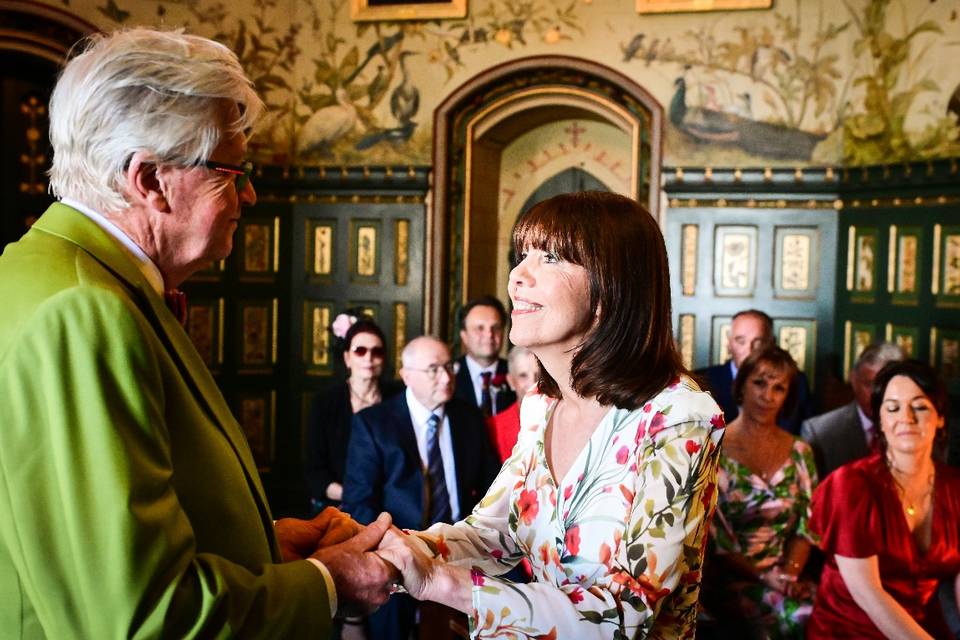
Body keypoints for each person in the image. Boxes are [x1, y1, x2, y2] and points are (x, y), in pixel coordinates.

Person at [0, 28, 397, 637]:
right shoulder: (84, 312)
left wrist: (263, 550)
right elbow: (141, 619)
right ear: (150, 180)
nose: (250, 192)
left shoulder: (47, 273)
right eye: (231, 170)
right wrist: (326, 584)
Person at [378, 191, 725, 637]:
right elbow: (492, 536)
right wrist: (385, 548)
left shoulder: (678, 416)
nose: (517, 276)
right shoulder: (541, 409)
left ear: (610, 289)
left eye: (552, 257)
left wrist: (441, 583)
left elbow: (629, 611)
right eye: (522, 255)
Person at [342, 335, 501, 640]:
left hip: (462, 551)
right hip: (398, 554)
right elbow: (359, 504)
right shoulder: (374, 424)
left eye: (449, 368)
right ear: (407, 376)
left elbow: (491, 488)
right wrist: (394, 550)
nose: (446, 377)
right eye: (434, 369)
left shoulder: (467, 418)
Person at [807, 360, 960, 639]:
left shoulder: (955, 488)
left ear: (940, 418)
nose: (906, 417)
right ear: (880, 420)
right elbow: (869, 594)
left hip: (921, 626)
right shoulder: (850, 485)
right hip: (850, 630)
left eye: (920, 406)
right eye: (892, 407)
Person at [705, 345, 818, 639]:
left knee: (837, 613)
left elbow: (809, 526)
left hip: (786, 578)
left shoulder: (801, 451)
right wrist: (765, 578)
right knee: (799, 617)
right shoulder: (713, 448)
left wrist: (789, 574)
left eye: (778, 388)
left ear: (787, 398)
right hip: (729, 579)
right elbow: (717, 542)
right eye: (759, 383)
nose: (767, 395)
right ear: (740, 386)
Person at [306, 313, 401, 511]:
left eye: (377, 351)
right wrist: (355, 497)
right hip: (338, 503)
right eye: (360, 351)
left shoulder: (399, 397)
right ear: (347, 358)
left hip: (391, 505)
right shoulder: (325, 402)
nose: (369, 358)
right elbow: (315, 471)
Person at [696, 309, 813, 434]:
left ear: (772, 343)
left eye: (758, 342)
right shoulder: (699, 382)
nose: (749, 350)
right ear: (729, 344)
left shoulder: (795, 381)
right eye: (741, 341)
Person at [801, 342, 904, 478]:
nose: (877, 394)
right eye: (869, 384)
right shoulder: (819, 433)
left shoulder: (924, 430)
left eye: (886, 385)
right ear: (854, 380)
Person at [454, 295, 516, 416]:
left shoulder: (517, 374)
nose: (489, 334)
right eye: (480, 328)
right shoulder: (449, 375)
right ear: (464, 336)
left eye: (496, 328)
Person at [488, 345, 540, 462]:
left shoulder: (564, 419)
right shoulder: (494, 427)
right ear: (511, 381)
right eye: (523, 376)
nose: (533, 383)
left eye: (539, 375)